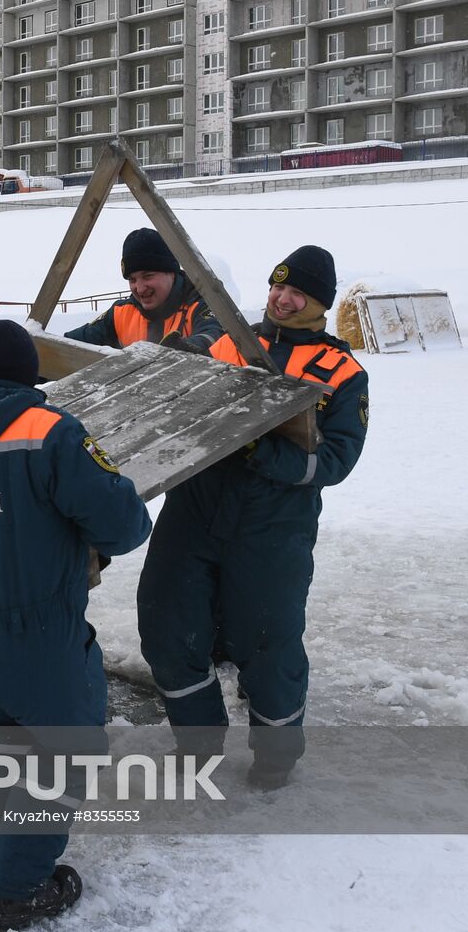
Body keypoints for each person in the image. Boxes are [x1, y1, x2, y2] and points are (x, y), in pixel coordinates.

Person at [0, 319, 151, 930]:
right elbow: (123, 524)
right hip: (36, 638)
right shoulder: (47, 431)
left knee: (6, 736)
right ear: (27, 373)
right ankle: (16, 891)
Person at [137, 245, 368, 791]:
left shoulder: (342, 371)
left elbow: (335, 459)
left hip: (273, 526)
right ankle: (197, 743)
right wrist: (178, 354)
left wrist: (263, 454)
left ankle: (276, 753)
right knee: (167, 621)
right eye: (276, 287)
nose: (281, 300)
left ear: (319, 304)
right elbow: (192, 361)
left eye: (297, 293)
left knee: (266, 641)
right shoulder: (231, 341)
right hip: (195, 507)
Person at [65, 228, 224, 354]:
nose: (139, 289)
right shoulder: (121, 314)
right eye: (132, 280)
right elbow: (71, 345)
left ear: (171, 272)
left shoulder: (200, 305)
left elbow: (214, 336)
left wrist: (187, 347)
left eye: (148, 276)